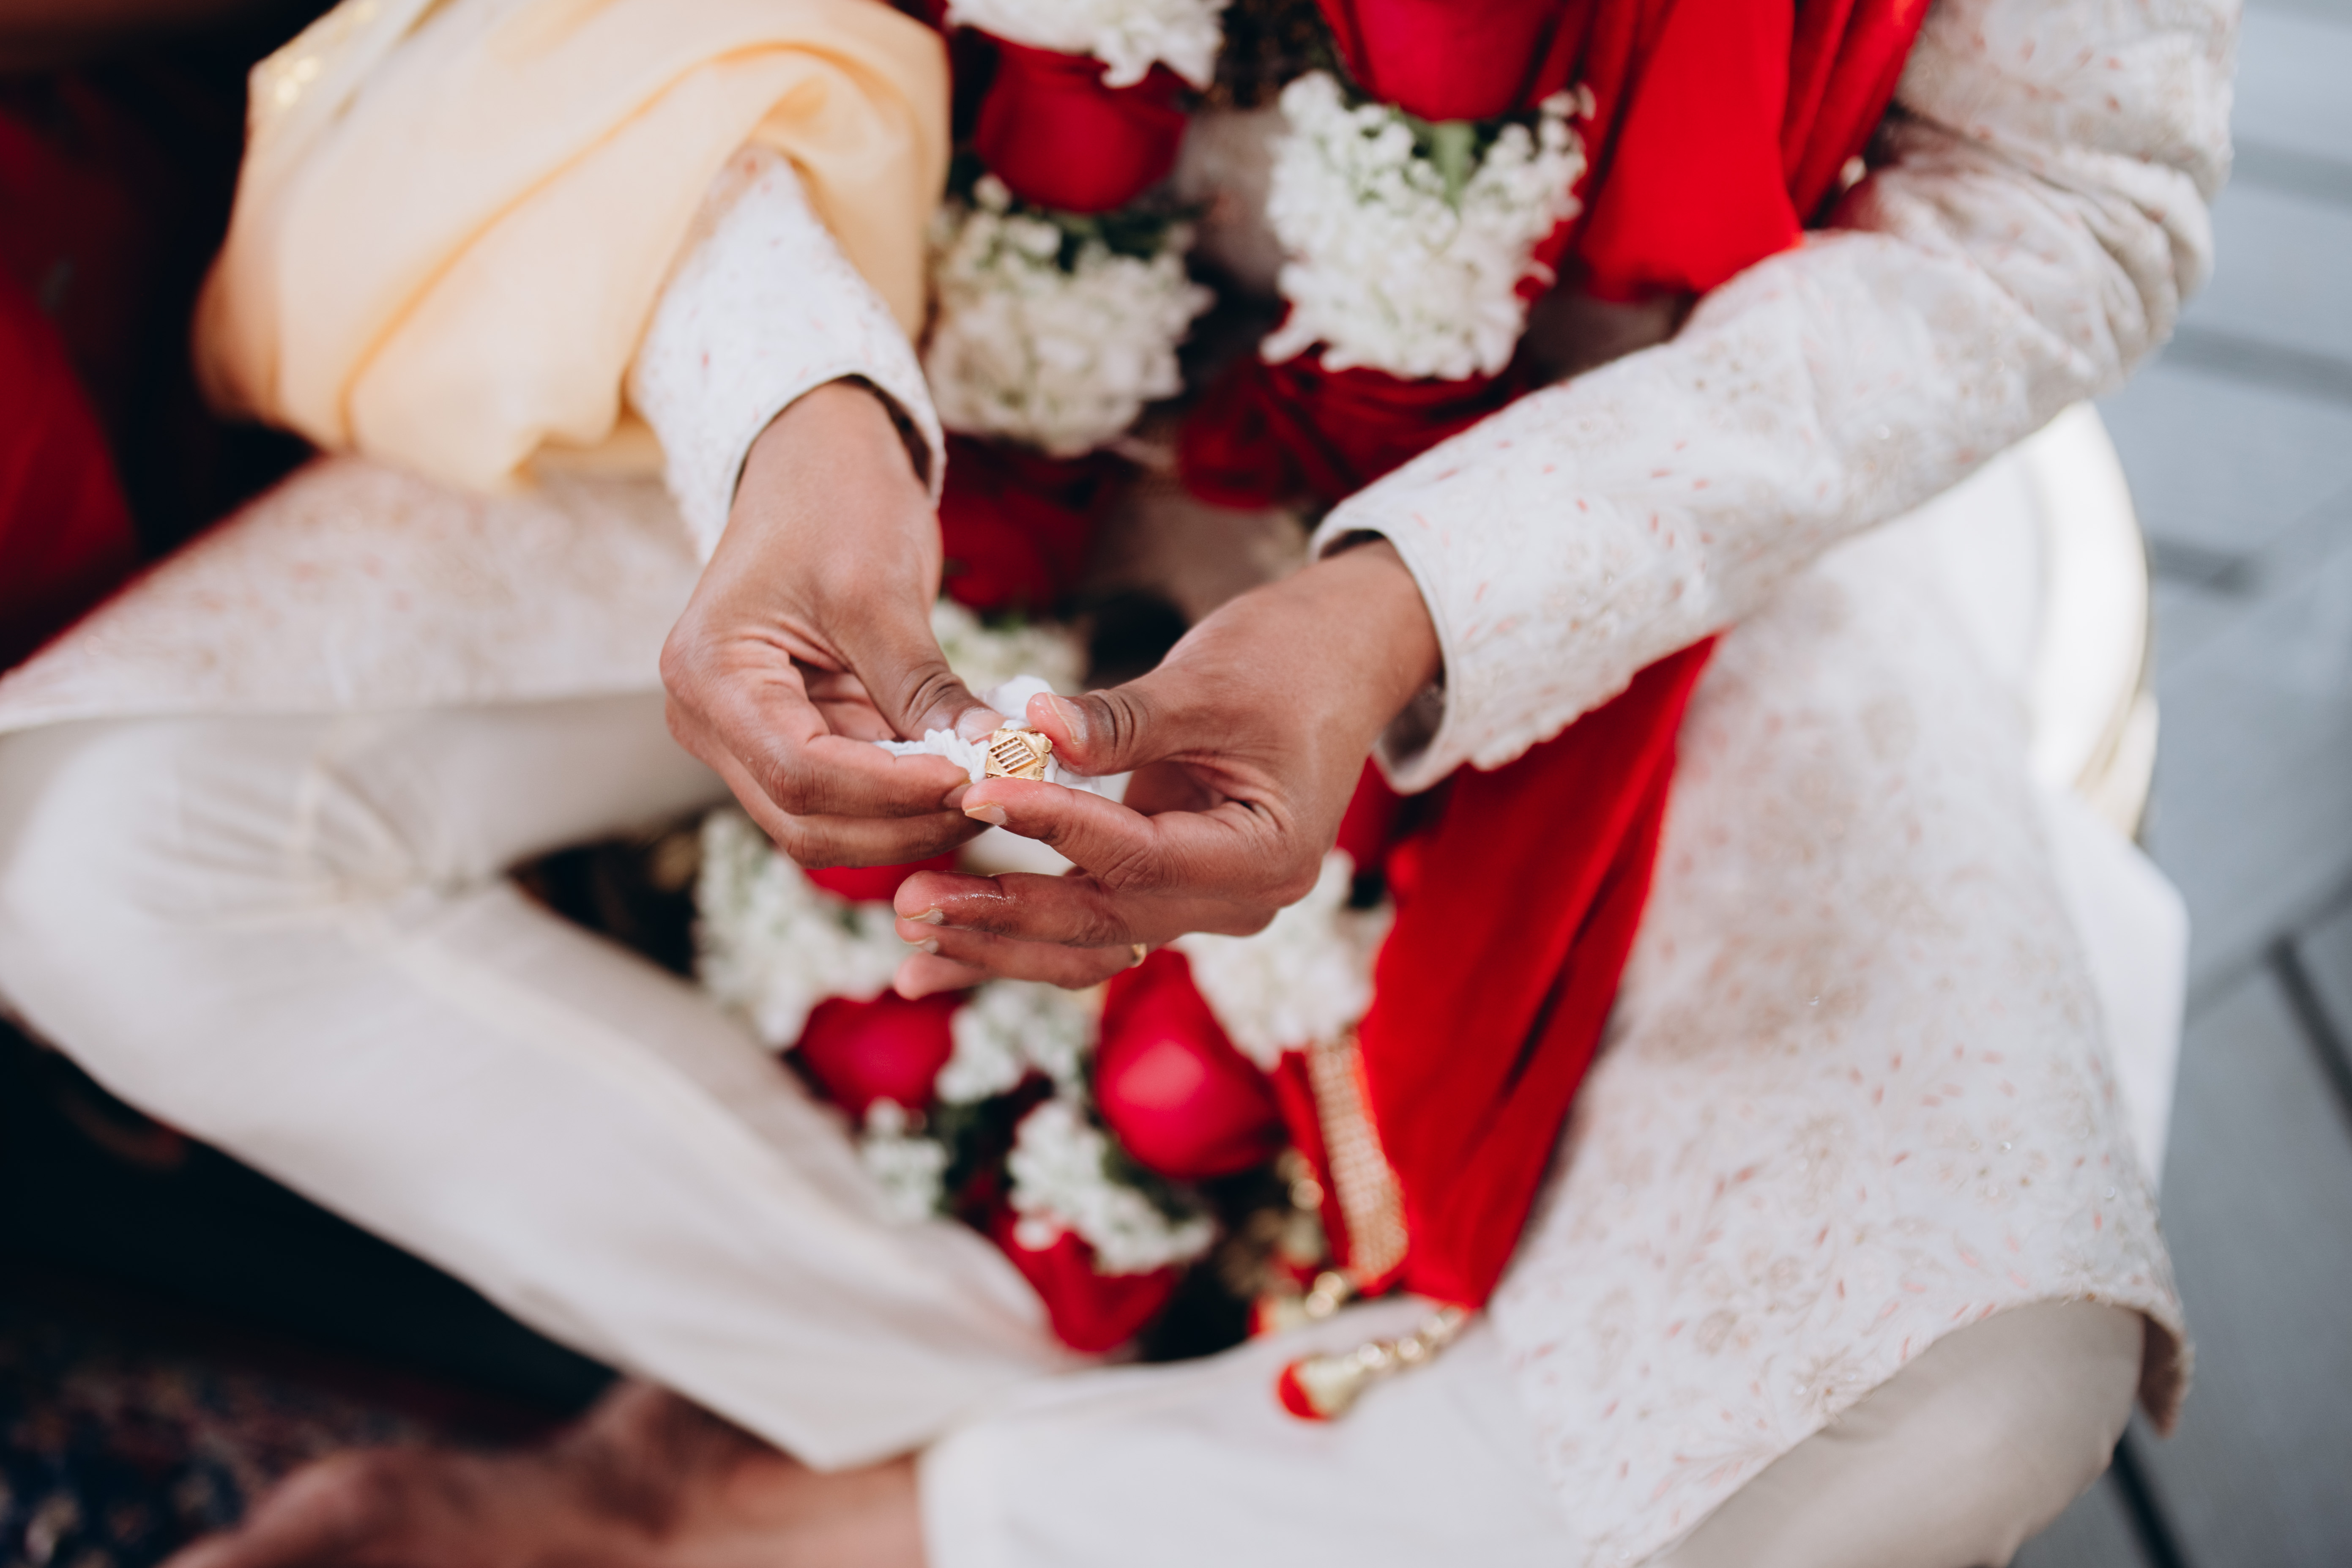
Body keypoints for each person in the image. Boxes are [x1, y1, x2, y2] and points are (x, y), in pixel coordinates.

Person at [0, 0, 2227, 1563]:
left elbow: (2068, 198)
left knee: (1983, 1386)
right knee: (104, 852)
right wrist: (788, 425)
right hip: (910, 344)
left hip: (1624, 496)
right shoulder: (825, 405)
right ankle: (1012, 1443)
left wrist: (1413, 605)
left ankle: (764, 1522)